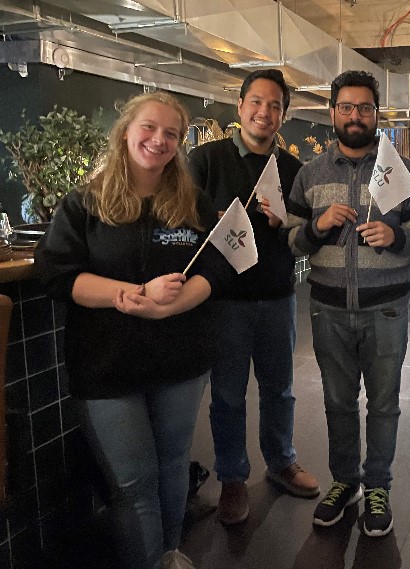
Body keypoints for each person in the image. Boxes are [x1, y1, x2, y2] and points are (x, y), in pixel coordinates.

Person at [35, 91, 230, 569]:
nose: (159, 140)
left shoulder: (191, 201)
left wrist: (174, 305)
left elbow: (219, 264)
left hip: (181, 362)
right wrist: (128, 293)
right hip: (106, 365)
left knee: (170, 469)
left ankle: (171, 557)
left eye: (171, 134)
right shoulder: (85, 201)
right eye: (149, 127)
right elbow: (57, 273)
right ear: (126, 130)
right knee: (132, 482)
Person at [285, 70, 410, 537]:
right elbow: (292, 242)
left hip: (386, 308)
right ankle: (344, 481)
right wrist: (318, 226)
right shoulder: (310, 174)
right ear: (332, 112)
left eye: (365, 108)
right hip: (328, 309)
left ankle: (378, 487)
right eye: (346, 107)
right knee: (337, 402)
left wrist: (395, 237)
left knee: (385, 405)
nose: (355, 115)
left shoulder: (401, 170)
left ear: (376, 114)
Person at [188, 69, 319, 525]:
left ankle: (281, 461)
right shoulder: (205, 159)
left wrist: (287, 223)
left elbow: (305, 234)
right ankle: (232, 479)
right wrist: (213, 218)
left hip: (277, 294)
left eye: (275, 105)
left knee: (280, 389)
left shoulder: (292, 169)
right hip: (223, 299)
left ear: (283, 113)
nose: (265, 112)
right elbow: (181, 216)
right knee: (226, 395)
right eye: (257, 102)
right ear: (240, 107)